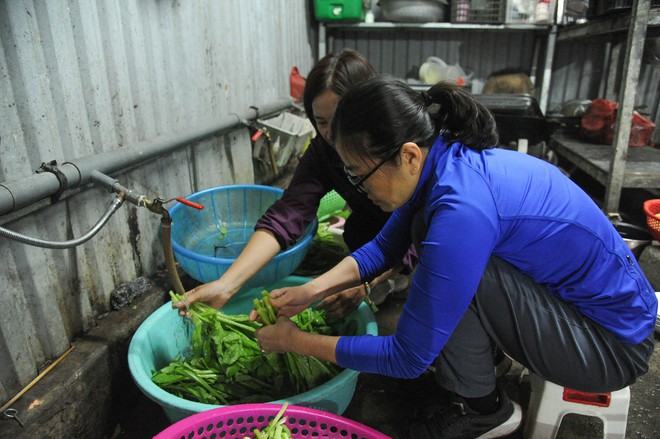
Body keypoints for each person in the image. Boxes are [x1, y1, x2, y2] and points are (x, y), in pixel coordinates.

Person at [252, 77, 657, 438]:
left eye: (359, 172)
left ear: (407, 155)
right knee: (442, 264)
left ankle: (484, 411)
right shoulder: (442, 160)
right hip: (579, 312)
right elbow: (383, 248)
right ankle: (482, 366)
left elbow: (407, 357)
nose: (356, 187)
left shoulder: (462, 208)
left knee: (444, 266)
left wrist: (298, 342)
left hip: (610, 349)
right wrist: (309, 291)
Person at [174, 50, 415, 319]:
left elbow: (415, 226)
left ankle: (401, 276)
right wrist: (226, 285)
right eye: (320, 122)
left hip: (418, 233)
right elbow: (287, 214)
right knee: (358, 231)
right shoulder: (323, 151)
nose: (330, 133)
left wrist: (366, 284)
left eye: (338, 120)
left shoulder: (402, 150)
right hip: (379, 232)